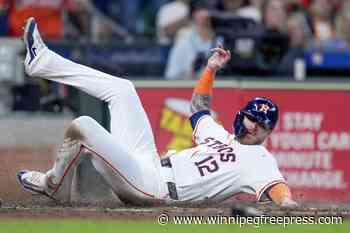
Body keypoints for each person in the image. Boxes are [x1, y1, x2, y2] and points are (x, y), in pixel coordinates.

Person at [17, 17, 297, 208]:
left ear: (267, 132)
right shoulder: (220, 136)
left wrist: (287, 204)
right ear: (242, 115)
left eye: (260, 125)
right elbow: (199, 109)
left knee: (84, 126)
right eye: (251, 118)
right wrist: (210, 69)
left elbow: (279, 191)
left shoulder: (260, 159)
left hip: (154, 189)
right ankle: (41, 62)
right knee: (123, 89)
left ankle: (53, 183)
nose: (252, 126)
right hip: (148, 164)